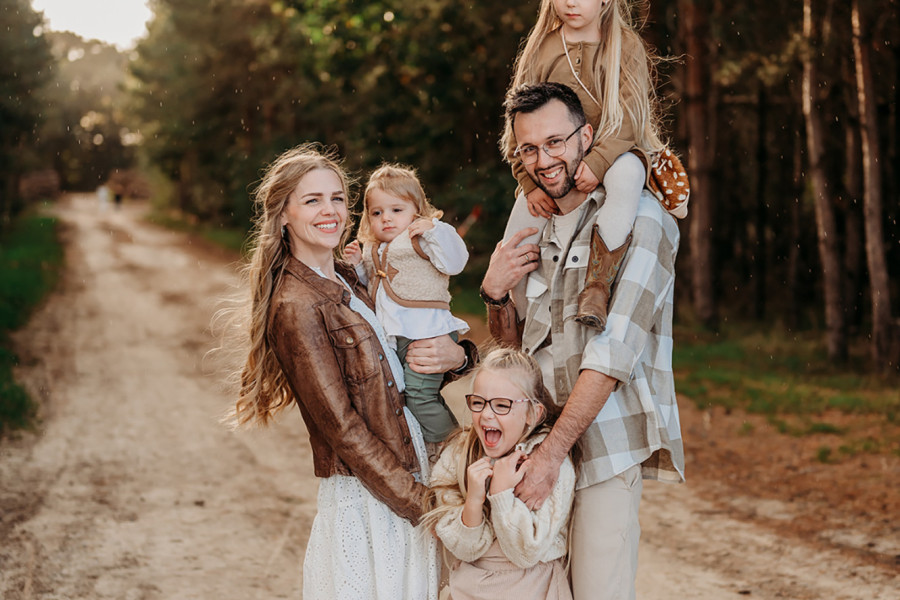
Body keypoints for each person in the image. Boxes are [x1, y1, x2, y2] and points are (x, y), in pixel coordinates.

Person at [232, 143, 474, 599]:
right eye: (312, 200)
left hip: (411, 472)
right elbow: (343, 428)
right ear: (284, 214)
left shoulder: (355, 275)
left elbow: (407, 365)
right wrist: (422, 502)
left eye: (338, 198)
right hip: (374, 498)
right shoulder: (295, 306)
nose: (330, 211)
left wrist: (460, 357)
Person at [481, 82, 684, 600]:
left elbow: (614, 354)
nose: (543, 160)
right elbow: (513, 357)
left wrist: (551, 457)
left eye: (555, 142)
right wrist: (495, 293)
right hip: (537, 442)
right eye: (528, 148)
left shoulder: (641, 220)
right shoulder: (533, 222)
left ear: (586, 136)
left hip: (603, 446)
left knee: (598, 591)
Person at [500, 0, 688, 329]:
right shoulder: (542, 47)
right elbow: (518, 119)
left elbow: (631, 116)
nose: (571, 3)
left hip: (616, 151)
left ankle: (597, 287)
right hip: (555, 161)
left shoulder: (624, 44)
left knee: (626, 175)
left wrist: (599, 161)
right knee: (520, 230)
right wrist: (529, 184)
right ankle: (518, 321)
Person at [422, 347, 576, 600]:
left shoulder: (548, 465)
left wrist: (502, 495)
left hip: (534, 588)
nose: (486, 414)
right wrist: (473, 500)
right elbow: (465, 550)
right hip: (471, 588)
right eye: (479, 403)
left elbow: (526, 553)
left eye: (502, 405)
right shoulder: (458, 455)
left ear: (532, 413)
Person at [344, 164, 470, 460]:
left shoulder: (423, 238)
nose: (386, 218)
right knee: (401, 397)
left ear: (416, 211)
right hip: (395, 336)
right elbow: (373, 287)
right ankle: (423, 448)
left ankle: (453, 449)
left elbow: (455, 261)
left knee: (421, 396)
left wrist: (437, 229)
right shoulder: (373, 248)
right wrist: (357, 267)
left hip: (427, 333)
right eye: (377, 213)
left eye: (396, 210)